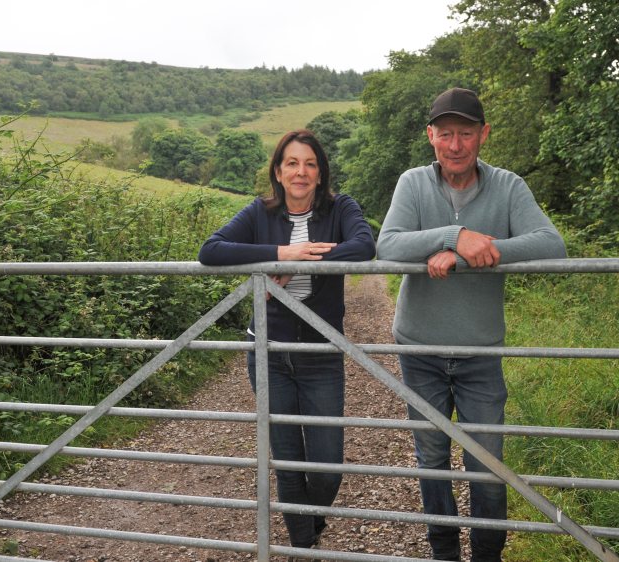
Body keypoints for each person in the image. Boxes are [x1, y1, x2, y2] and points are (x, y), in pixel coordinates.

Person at [376, 88, 567, 561]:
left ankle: (487, 555)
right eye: (446, 134)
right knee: (432, 459)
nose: (455, 145)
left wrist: (469, 254)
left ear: (483, 135)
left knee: (486, 463)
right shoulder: (413, 183)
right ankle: (444, 553)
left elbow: (551, 244)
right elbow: (389, 246)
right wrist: (453, 235)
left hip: (481, 351)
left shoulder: (508, 186)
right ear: (430, 137)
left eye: (465, 133)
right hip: (419, 348)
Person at [198, 129, 376, 558]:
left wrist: (302, 257)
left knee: (328, 467)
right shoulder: (261, 212)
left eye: (310, 164)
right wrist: (278, 254)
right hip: (268, 353)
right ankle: (304, 545)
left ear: (320, 173)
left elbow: (364, 246)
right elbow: (211, 250)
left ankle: (311, 522)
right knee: (289, 459)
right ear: (278, 170)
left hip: (321, 355)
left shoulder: (340, 207)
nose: (301, 171)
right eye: (292, 163)